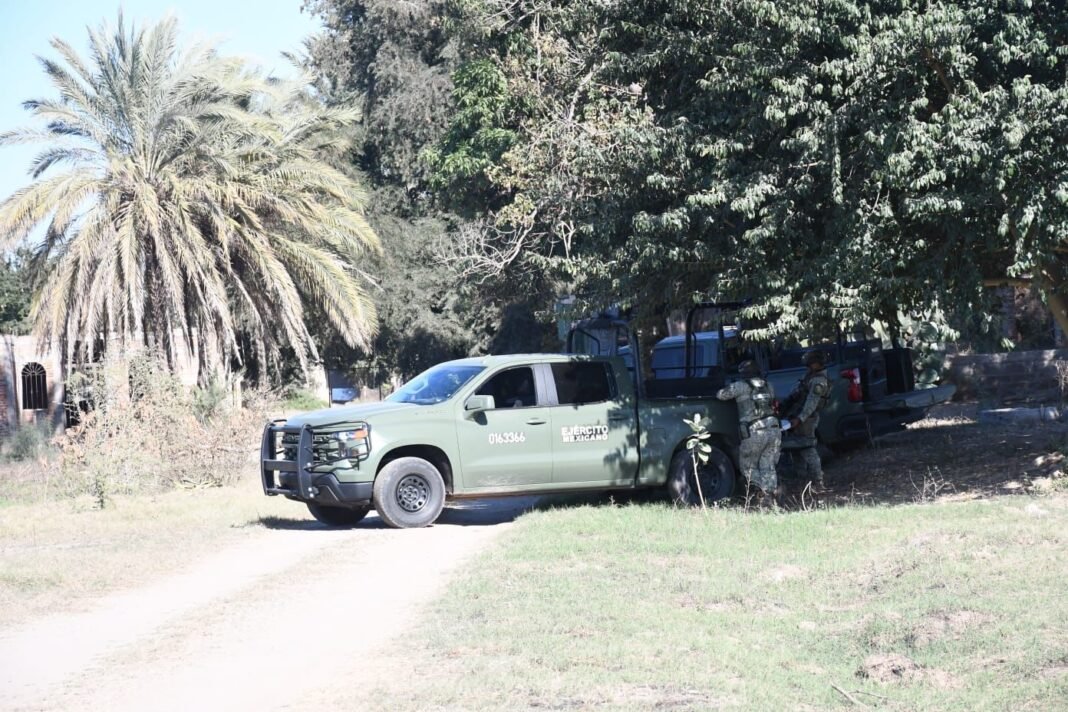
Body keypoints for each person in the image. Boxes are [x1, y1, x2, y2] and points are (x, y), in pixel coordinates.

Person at [716, 359, 781, 502]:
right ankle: (771, 496)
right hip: (774, 429)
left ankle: (761, 494)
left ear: (743, 373)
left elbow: (721, 395)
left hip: (754, 430)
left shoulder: (740, 386)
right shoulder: (769, 385)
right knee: (768, 466)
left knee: (748, 466)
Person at [782, 349, 831, 491]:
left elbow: (811, 404)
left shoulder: (819, 381)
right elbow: (798, 393)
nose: (809, 366)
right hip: (797, 415)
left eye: (811, 363)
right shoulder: (810, 376)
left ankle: (818, 482)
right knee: (796, 449)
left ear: (818, 363)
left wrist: (799, 419)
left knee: (807, 448)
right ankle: (802, 479)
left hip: (807, 419)